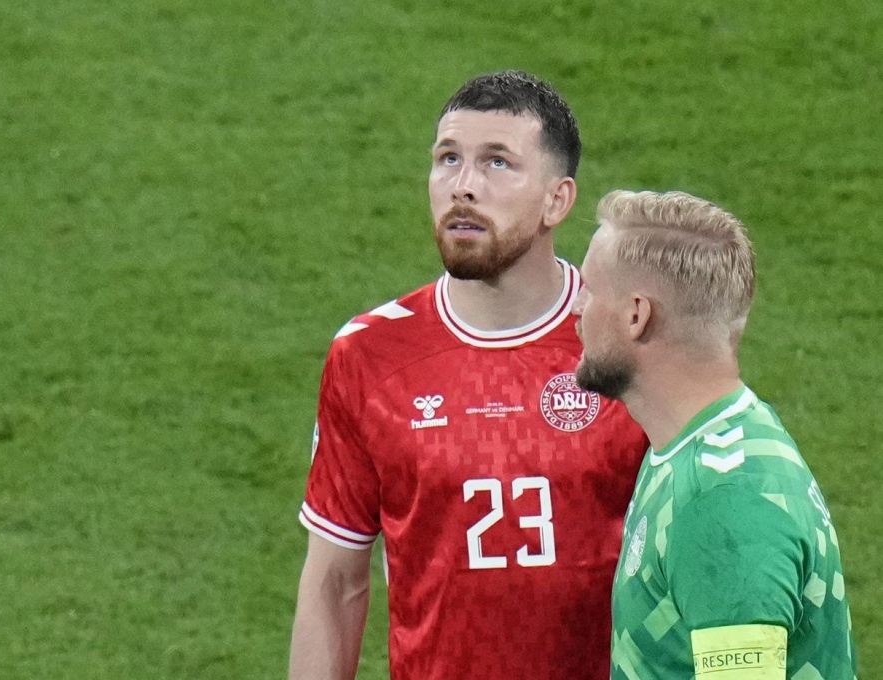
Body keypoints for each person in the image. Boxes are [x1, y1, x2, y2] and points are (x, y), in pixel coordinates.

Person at [288, 70, 649, 680]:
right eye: (448, 159)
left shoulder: (628, 340)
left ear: (557, 200)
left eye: (497, 163)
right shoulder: (370, 354)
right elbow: (334, 582)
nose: (463, 187)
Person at [571, 189, 858, 679]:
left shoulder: (722, 502)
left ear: (637, 315)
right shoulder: (704, 442)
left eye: (590, 290)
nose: (576, 308)